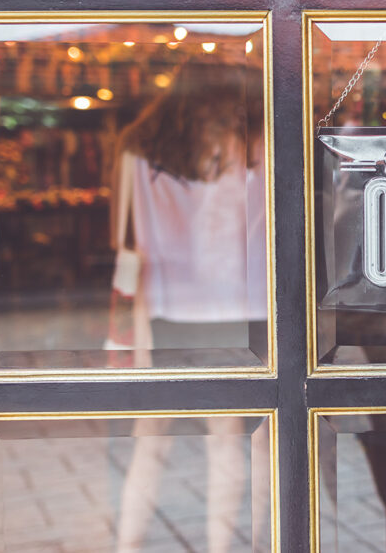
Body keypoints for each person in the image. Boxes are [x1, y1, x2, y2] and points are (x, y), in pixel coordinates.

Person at [112, 60, 268, 552]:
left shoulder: (138, 150)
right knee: (233, 441)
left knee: (151, 439)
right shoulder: (256, 147)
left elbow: (126, 248)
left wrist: (129, 332)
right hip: (246, 311)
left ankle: (127, 543)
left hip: (169, 311)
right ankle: (223, 546)